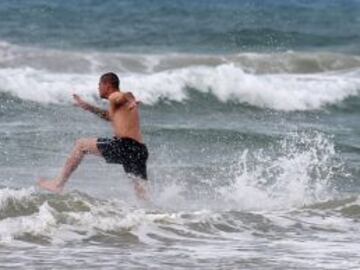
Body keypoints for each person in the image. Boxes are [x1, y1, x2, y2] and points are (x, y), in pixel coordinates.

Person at [37, 72, 149, 199]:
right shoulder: (118, 106)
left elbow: (124, 95)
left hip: (125, 145)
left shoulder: (114, 96)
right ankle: (150, 214)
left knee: (81, 145)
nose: (98, 88)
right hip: (139, 150)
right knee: (141, 192)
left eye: (99, 84)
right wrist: (87, 107)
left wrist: (132, 100)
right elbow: (109, 116)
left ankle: (58, 184)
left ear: (107, 85)